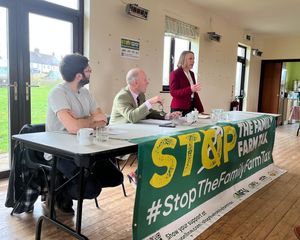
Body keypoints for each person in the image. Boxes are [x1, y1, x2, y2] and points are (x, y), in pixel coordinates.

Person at [46, 53, 123, 214]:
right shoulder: (58, 93)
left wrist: (82, 120)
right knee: (91, 189)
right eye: (88, 70)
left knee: (116, 178)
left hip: (86, 146)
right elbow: (73, 128)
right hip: (60, 151)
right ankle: (59, 193)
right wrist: (90, 119)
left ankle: (71, 183)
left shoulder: (85, 93)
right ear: (79, 75)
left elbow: (103, 119)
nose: (91, 72)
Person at [110, 68, 181, 184]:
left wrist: (167, 116)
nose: (147, 82)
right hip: (119, 138)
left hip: (136, 133)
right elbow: (132, 117)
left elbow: (147, 112)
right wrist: (150, 102)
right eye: (145, 80)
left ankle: (140, 175)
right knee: (149, 146)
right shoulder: (122, 97)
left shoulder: (140, 95)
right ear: (135, 83)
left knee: (158, 143)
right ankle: (140, 177)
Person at [169, 50, 204, 116]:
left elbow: (194, 93)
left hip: (191, 107)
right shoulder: (175, 73)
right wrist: (190, 89)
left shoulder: (192, 74)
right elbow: (173, 92)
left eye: (193, 59)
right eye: (190, 59)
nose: (193, 61)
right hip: (179, 108)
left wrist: (200, 109)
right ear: (183, 59)